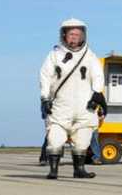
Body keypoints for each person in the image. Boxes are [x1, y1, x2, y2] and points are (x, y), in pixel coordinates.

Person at [38, 18, 105, 180]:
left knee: (83, 137)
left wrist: (96, 94)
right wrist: (45, 98)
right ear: (64, 36)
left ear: (83, 36)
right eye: (71, 34)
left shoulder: (89, 56)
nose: (74, 38)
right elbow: (45, 77)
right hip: (61, 105)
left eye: (77, 34)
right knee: (55, 136)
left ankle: (79, 169)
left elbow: (98, 75)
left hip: (85, 105)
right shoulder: (54, 56)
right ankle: (53, 169)